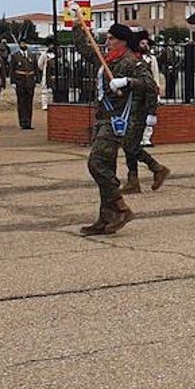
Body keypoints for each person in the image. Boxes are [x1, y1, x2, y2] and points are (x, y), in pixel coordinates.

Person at [72, 22, 155, 234]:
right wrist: (76, 26)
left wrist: (127, 82)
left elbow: (149, 84)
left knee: (96, 163)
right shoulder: (107, 61)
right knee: (106, 168)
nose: (107, 42)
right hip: (103, 119)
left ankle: (120, 207)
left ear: (123, 41)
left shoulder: (130, 62)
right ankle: (105, 218)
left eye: (111, 39)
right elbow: (86, 50)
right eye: (107, 39)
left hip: (117, 121)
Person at [120, 30, 170, 193]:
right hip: (129, 107)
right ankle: (134, 178)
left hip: (139, 107)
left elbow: (151, 84)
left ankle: (155, 168)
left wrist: (152, 111)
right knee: (129, 145)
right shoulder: (128, 60)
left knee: (130, 146)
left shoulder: (141, 62)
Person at [8, 40, 38, 129]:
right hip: (20, 81)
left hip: (30, 81)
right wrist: (13, 81)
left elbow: (35, 68)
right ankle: (22, 122)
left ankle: (28, 122)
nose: (24, 45)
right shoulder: (15, 56)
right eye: (22, 43)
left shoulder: (32, 55)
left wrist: (37, 80)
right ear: (19, 45)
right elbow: (12, 69)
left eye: (25, 43)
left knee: (29, 103)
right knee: (21, 102)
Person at [38, 41, 59, 110]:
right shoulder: (44, 54)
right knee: (45, 90)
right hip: (47, 73)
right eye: (50, 45)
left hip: (55, 74)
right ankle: (45, 104)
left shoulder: (58, 54)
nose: (52, 46)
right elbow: (40, 64)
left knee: (53, 90)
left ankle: (52, 103)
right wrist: (44, 70)